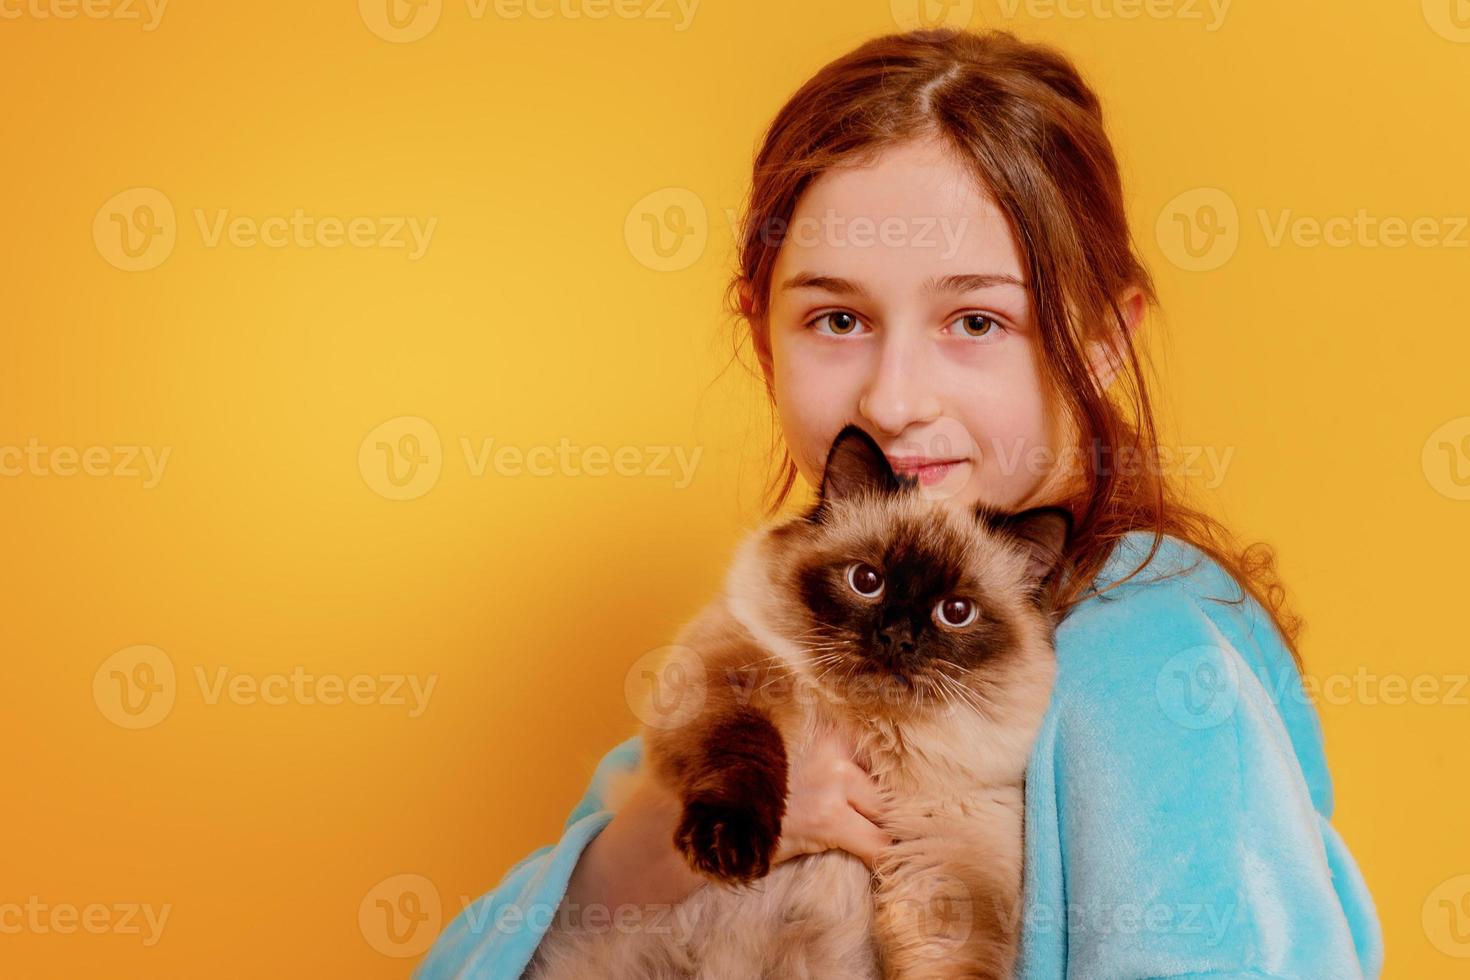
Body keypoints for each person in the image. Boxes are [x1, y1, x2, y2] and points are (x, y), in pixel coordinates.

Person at [416, 28, 1383, 979]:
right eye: (838, 319)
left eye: (976, 320)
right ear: (762, 332)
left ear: (1100, 341)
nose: (894, 399)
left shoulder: (1141, 655)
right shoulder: (789, 620)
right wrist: (652, 847)